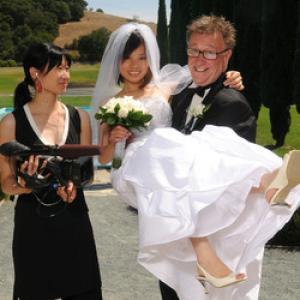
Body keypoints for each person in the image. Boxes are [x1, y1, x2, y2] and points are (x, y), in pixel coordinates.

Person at [91, 22, 300, 300]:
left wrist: (232, 76)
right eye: (127, 58)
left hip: (171, 167)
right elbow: (105, 157)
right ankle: (264, 183)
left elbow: (204, 68)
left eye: (141, 57)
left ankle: (266, 183)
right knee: (165, 148)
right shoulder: (112, 103)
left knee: (207, 142)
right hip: (137, 172)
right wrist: (115, 138)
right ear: (116, 62)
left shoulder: (165, 86)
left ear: (151, 59)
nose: (134, 65)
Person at [160, 15, 258, 299]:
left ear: (226, 56)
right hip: (177, 240)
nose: (199, 59)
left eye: (210, 52)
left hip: (212, 238)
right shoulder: (180, 97)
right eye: (193, 50)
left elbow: (229, 178)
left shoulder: (232, 104)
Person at [0, 43, 102, 300]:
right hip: (33, 227)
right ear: (35, 73)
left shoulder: (80, 117)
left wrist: (74, 186)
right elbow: (6, 184)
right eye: (58, 68)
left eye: (67, 68)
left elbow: (86, 173)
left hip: (75, 221)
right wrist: (31, 185)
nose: (66, 74)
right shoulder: (11, 122)